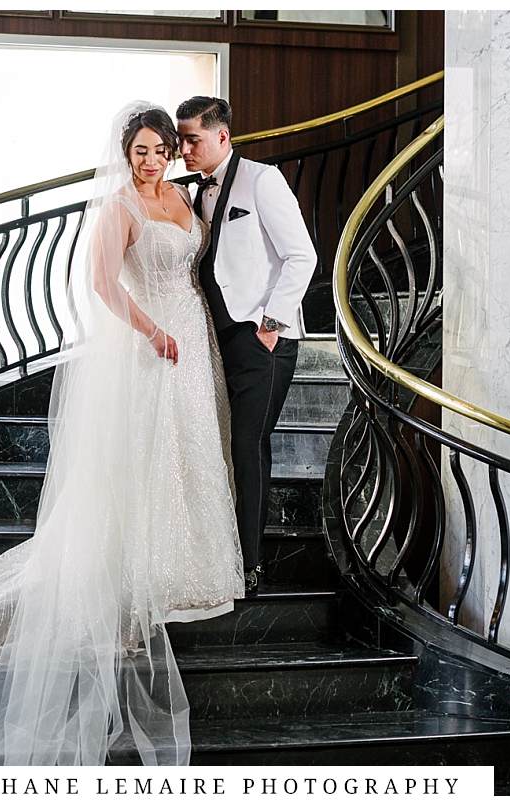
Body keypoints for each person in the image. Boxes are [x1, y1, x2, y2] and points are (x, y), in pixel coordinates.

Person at [0, 102, 244, 765]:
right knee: (140, 463)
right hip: (152, 345)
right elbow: (98, 281)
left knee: (188, 455)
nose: (152, 160)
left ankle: (190, 565)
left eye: (160, 150)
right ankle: (134, 569)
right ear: (126, 152)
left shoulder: (182, 196)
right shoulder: (120, 205)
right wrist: (151, 330)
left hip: (193, 338)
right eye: (142, 151)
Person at [176, 96, 316, 596]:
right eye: (182, 139)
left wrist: (271, 324)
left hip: (263, 340)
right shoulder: (197, 194)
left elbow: (302, 256)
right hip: (218, 340)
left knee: (248, 445)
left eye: (192, 139)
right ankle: (223, 554)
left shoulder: (262, 180)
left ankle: (251, 565)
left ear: (222, 136)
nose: (183, 149)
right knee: (218, 446)